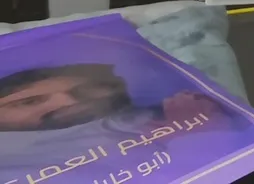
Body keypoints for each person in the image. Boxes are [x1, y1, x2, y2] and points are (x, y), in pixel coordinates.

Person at [0, 64, 226, 179]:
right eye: (28, 102)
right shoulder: (12, 166)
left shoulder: (178, 111)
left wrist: (197, 133)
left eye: (85, 90)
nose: (67, 102)